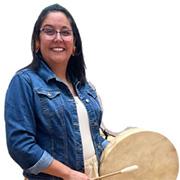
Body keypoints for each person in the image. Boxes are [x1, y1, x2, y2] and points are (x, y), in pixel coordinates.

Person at [4, 3, 108, 180]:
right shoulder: (24, 82)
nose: (58, 38)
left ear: (74, 44)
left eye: (65, 32)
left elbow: (93, 135)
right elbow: (20, 146)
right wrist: (68, 174)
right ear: (37, 42)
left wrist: (126, 145)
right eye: (49, 31)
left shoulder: (84, 86)